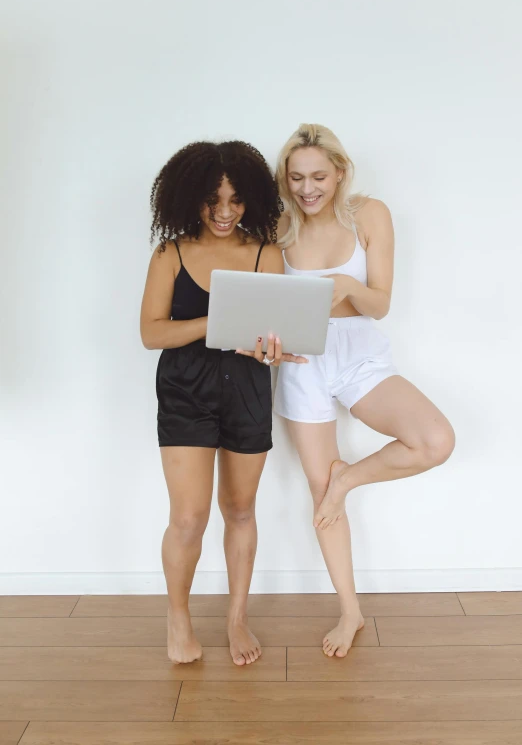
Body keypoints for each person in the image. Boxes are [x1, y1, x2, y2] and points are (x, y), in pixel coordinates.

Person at [273, 123, 456, 658]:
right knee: (316, 485)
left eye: (319, 177)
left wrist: (351, 287)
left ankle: (347, 480)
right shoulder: (278, 225)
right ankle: (350, 611)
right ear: (286, 179)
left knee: (434, 441)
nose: (309, 189)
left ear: (341, 173)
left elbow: (380, 304)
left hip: (359, 353)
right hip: (301, 361)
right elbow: (262, 302)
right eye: (298, 177)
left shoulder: (369, 214)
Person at [140, 140, 305, 666]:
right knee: (188, 518)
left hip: (247, 385)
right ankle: (178, 617)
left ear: (252, 199)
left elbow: (272, 336)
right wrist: (216, 325)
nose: (226, 211)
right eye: (213, 200)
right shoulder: (169, 253)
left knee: (238, 509)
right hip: (186, 387)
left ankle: (237, 618)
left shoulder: (265, 253)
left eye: (236, 200)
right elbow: (151, 333)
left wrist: (274, 349)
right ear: (190, 198)